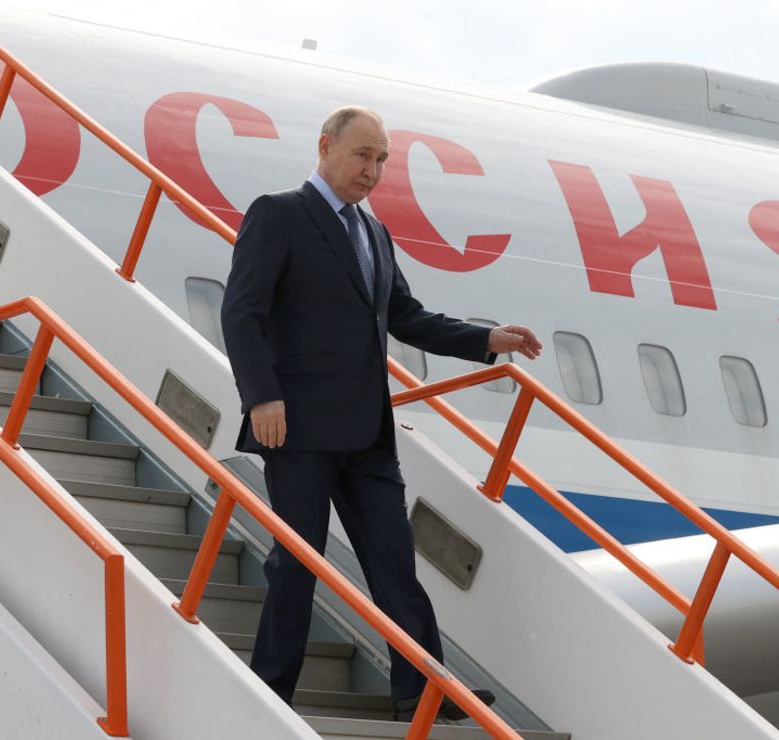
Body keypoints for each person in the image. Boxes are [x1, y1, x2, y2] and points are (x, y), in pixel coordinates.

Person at [221, 105, 542, 721]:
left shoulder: (374, 234)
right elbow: (243, 312)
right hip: (298, 428)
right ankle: (270, 693)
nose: (373, 170)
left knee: (394, 560)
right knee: (298, 562)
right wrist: (262, 397)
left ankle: (420, 688)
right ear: (326, 147)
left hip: (367, 431)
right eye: (363, 155)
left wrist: (486, 338)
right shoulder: (280, 214)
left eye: (382, 160)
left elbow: (406, 317)